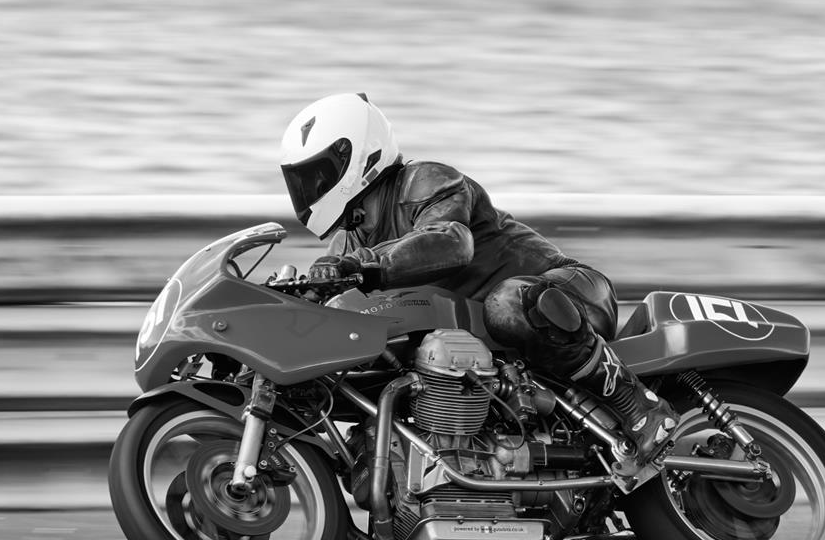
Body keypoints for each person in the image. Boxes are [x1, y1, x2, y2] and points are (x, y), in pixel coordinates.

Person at [279, 92, 677, 468]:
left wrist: (359, 266)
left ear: (357, 155)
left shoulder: (423, 181)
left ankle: (635, 403)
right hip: (493, 347)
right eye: (303, 178)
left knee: (506, 303)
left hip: (561, 295)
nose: (311, 188)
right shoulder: (349, 239)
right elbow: (324, 300)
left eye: (318, 173)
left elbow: (449, 243)